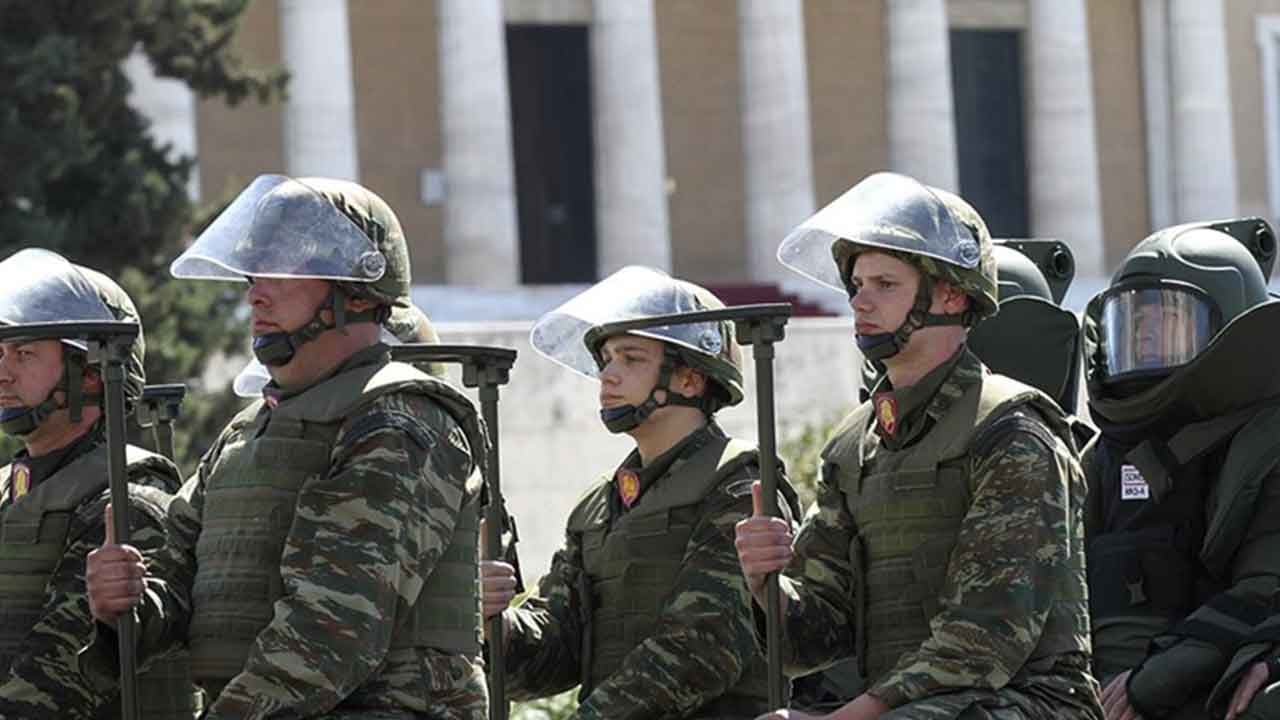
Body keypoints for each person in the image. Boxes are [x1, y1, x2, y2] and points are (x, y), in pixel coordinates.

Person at [83, 175, 489, 718]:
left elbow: (331, 630)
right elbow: (178, 583)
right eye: (253, 272)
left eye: (283, 271)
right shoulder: (247, 432)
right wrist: (125, 606)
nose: (255, 292)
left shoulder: (400, 421)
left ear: (356, 292)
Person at [737, 172, 1102, 719]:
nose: (861, 302)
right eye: (856, 285)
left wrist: (843, 719)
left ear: (952, 295)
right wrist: (766, 585)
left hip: (1026, 701)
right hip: (908, 705)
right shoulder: (854, 446)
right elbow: (815, 639)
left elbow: (985, 638)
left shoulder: (1011, 431)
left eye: (885, 285)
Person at [481, 265, 800, 719]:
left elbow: (704, 648)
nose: (607, 375)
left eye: (630, 359)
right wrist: (496, 624)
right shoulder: (599, 505)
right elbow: (550, 657)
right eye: (606, 359)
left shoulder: (737, 485)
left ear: (689, 379)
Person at [1078, 218, 1280, 720]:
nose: (1145, 340)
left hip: (1210, 677)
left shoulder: (1265, 443)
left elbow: (1264, 588)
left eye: (1166, 321)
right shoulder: (1101, 457)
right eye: (1134, 323)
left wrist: (1150, 684)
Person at [0, 248, 194, 719]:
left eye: (23, 354)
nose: (2, 372)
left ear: (88, 374)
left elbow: (57, 681)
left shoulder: (130, 499)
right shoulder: (12, 487)